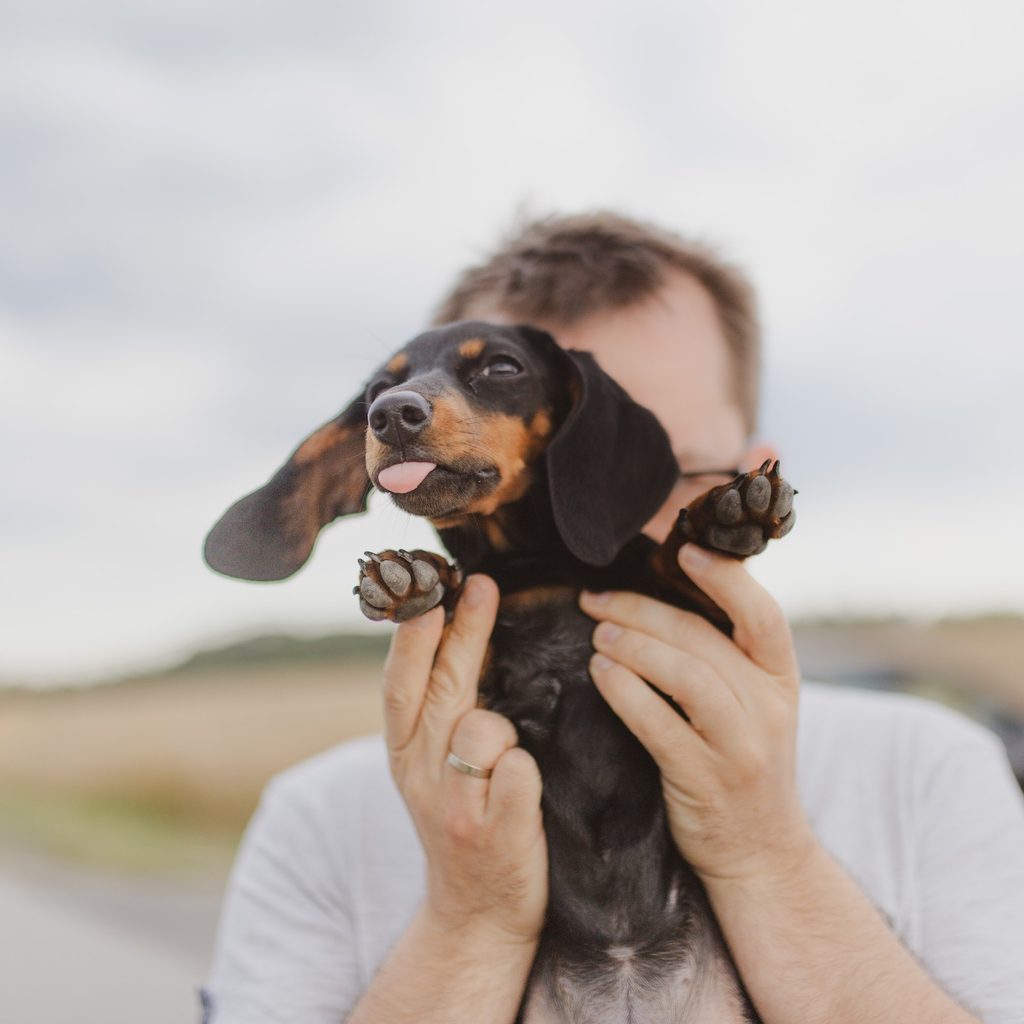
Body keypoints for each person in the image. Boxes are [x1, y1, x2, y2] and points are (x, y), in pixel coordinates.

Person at [201, 212, 1024, 1024]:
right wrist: (469, 922)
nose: (592, 515)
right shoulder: (312, 822)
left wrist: (767, 859)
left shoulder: (933, 773)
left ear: (754, 478)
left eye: (642, 470)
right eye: (392, 399)